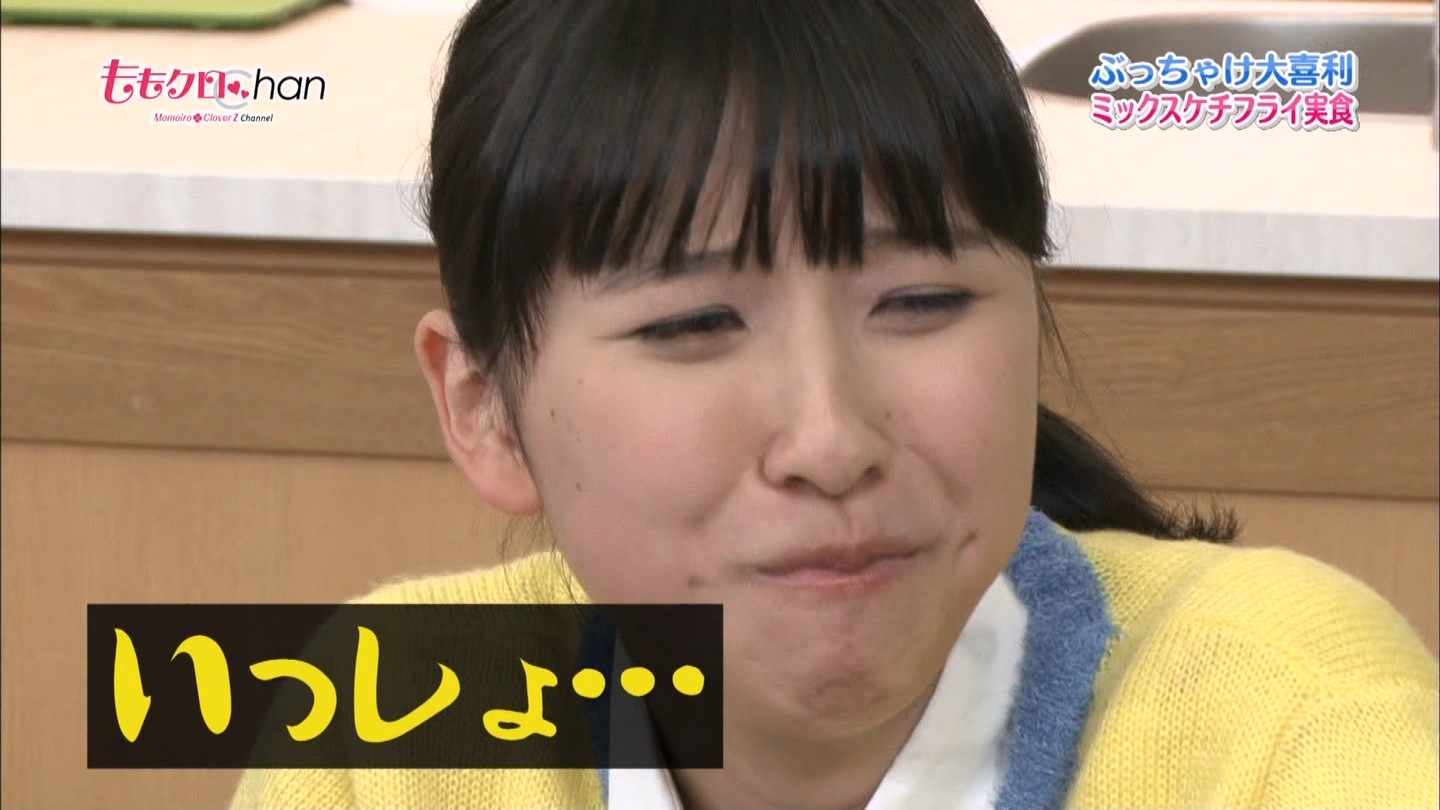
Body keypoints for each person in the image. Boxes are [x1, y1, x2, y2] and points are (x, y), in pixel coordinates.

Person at [231, 0, 1440, 807]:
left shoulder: (1298, 722)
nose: (832, 440)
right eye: (693, 325)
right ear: (486, 409)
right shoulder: (387, 735)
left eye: (921, 302)